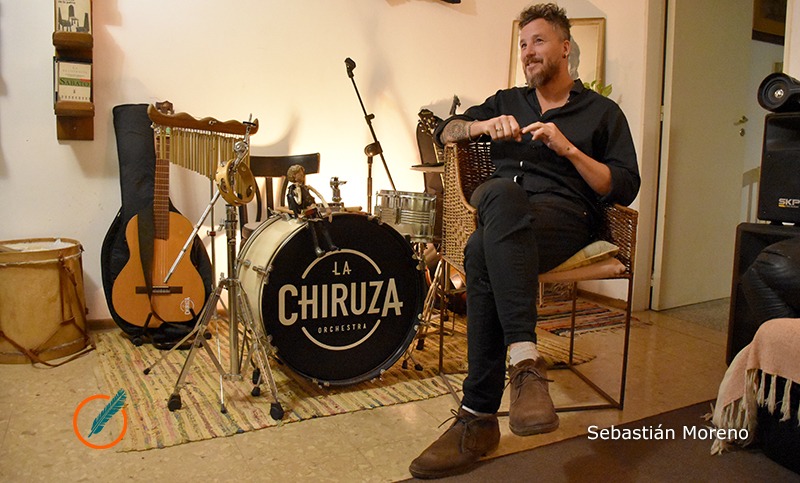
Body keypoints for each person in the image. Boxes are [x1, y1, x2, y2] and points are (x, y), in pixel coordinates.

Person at [409, 3, 640, 479]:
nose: (528, 52)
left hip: (566, 218)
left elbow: (622, 186)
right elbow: (444, 129)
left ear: (564, 47)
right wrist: (479, 126)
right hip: (505, 213)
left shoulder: (601, 112)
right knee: (493, 207)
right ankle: (524, 367)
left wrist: (568, 148)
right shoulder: (506, 99)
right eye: (522, 45)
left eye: (537, 41)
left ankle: (477, 419)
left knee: (482, 242)